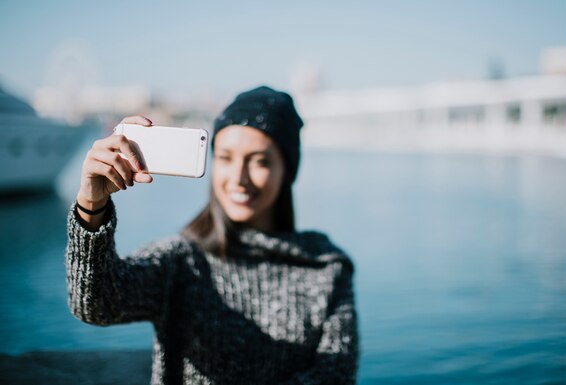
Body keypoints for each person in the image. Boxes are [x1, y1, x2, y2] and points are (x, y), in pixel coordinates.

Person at [66, 86, 359, 384]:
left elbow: (335, 375)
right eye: (226, 158)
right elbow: (94, 305)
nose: (239, 178)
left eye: (260, 161)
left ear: (287, 170)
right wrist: (92, 206)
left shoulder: (326, 269)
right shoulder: (181, 261)